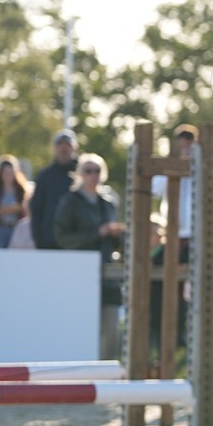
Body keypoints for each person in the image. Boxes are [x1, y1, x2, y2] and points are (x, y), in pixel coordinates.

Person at [54, 153, 126, 360]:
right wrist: (98, 232)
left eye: (97, 171)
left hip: (108, 274)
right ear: (79, 174)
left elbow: (116, 242)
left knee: (112, 331)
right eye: (88, 170)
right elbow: (62, 238)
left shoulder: (109, 202)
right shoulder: (70, 201)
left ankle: (105, 378)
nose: (93, 175)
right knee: (83, 330)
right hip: (81, 275)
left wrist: (117, 234)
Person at [151, 124, 197, 263]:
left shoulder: (202, 167)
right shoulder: (167, 167)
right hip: (172, 232)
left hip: (195, 233)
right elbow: (155, 190)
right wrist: (173, 166)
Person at [29, 129, 79, 250]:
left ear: (75, 147)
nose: (63, 148)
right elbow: (36, 209)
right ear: (54, 147)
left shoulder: (84, 173)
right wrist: (38, 239)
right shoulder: (45, 175)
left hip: (77, 242)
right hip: (49, 241)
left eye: (67, 144)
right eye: (60, 144)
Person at [0, 155, 31, 248]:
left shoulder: (21, 190)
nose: (8, 176)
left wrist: (19, 207)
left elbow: (27, 208)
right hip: (0, 228)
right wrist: (5, 210)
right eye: (6, 173)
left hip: (17, 228)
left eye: (11, 172)